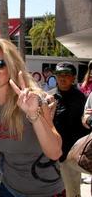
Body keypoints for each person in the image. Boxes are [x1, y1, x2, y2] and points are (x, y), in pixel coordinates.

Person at [0, 37, 65, 197]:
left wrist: (33, 115)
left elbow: (55, 152)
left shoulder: (34, 100)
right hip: (9, 189)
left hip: (44, 192)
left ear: (11, 66)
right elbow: (0, 142)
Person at [50, 62, 90, 197]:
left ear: (73, 78)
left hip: (70, 157)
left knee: (72, 193)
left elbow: (85, 128)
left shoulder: (81, 99)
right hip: (50, 157)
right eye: (59, 74)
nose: (62, 78)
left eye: (67, 74)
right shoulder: (49, 97)